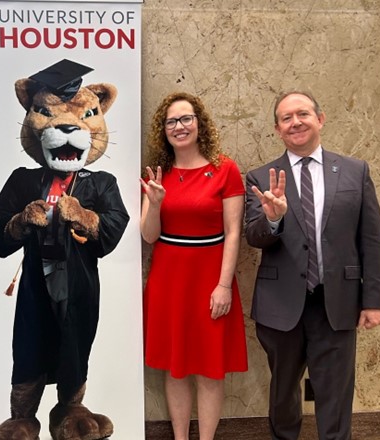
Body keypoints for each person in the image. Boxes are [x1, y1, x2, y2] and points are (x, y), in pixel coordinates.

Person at [245, 90, 380, 440]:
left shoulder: (355, 171)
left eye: (303, 114)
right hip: (280, 306)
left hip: (338, 302)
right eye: (286, 118)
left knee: (336, 394)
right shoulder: (260, 178)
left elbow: (371, 238)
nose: (295, 122)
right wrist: (273, 220)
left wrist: (374, 300)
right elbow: (254, 236)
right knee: (282, 394)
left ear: (320, 119)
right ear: (277, 129)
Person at [141, 92, 248, 440]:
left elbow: (233, 233)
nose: (179, 126)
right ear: (163, 130)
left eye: (186, 118)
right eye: (172, 121)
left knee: (209, 370)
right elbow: (149, 236)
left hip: (210, 278)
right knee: (175, 368)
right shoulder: (158, 174)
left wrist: (223, 285)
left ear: (199, 123)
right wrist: (154, 203)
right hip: (168, 279)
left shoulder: (225, 170)